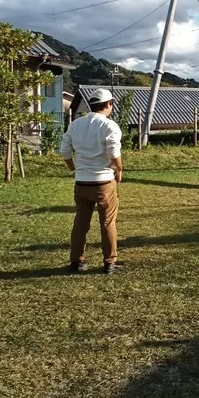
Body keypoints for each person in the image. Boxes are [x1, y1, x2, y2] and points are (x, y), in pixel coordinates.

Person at [60, 88, 124, 274]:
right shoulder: (110, 126)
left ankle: (77, 260)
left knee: (80, 222)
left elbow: (65, 150)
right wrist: (119, 170)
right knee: (107, 223)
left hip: (81, 182)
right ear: (109, 104)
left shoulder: (76, 124)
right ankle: (110, 262)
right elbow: (113, 153)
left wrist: (74, 168)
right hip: (104, 182)